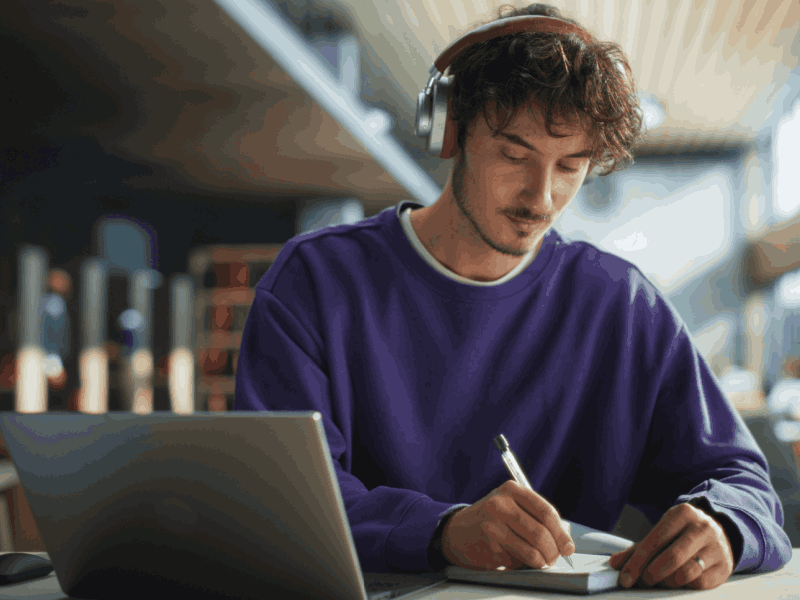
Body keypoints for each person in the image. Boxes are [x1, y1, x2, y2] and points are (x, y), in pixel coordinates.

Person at [235, 2, 792, 591]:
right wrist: (442, 530)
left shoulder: (620, 306)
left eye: (570, 166)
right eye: (514, 155)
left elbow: (743, 483)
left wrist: (723, 527)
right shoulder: (315, 281)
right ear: (451, 131)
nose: (541, 197)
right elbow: (282, 499)